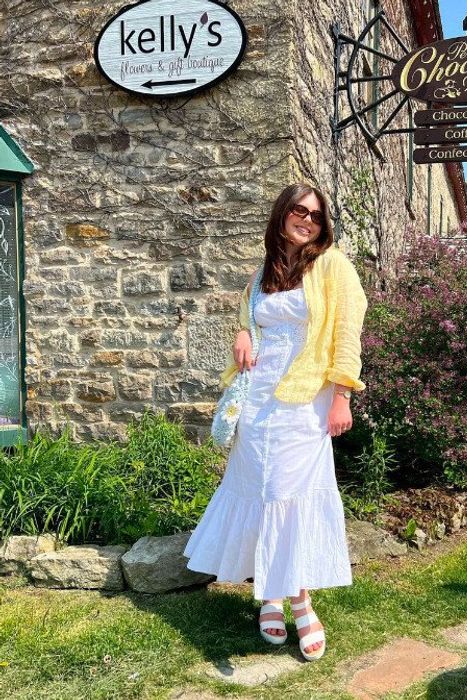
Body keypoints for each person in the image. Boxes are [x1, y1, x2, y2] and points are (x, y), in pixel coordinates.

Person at [183, 183, 368, 660]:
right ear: (282, 213)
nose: (307, 220)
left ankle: (300, 600)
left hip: (306, 400)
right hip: (257, 402)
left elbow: (347, 334)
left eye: (316, 215)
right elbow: (248, 313)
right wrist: (242, 332)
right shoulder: (264, 270)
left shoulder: (334, 266)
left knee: (291, 494)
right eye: (299, 210)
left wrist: (342, 396)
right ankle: (269, 595)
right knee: (259, 490)